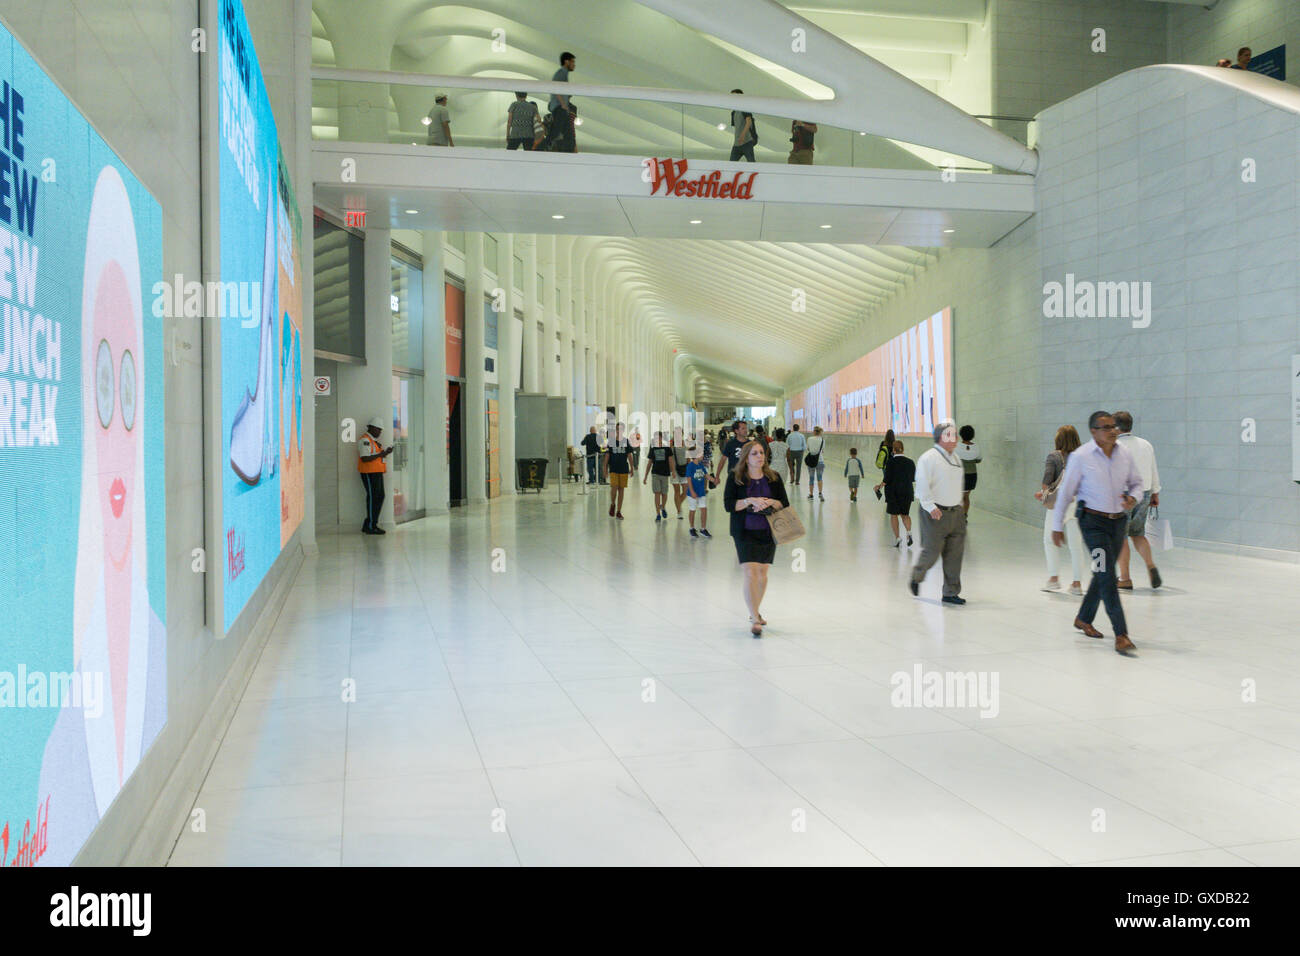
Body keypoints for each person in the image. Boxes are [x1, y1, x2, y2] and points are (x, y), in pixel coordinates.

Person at [1051, 411, 1143, 656]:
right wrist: (1057, 525)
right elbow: (1066, 491)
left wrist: (1133, 497)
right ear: (1093, 431)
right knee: (1107, 575)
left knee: (1102, 573)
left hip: (1117, 523)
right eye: (1106, 427)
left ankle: (1083, 618)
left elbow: (1137, 483)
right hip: (1092, 523)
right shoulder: (1082, 457)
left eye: (1114, 426)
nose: (1112, 430)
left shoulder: (1124, 453)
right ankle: (1121, 634)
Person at [724, 439, 790, 637]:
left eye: (761, 452)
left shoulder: (774, 477)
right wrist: (748, 501)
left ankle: (755, 611)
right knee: (750, 573)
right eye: (754, 453)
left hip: (768, 532)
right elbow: (729, 505)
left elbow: (784, 503)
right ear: (746, 457)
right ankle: (754, 618)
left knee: (762, 575)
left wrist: (771, 501)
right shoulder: (735, 478)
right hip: (744, 531)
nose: (759, 456)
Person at [908, 421, 967, 603]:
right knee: (932, 551)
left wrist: (961, 506)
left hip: (955, 512)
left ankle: (951, 592)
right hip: (935, 512)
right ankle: (917, 577)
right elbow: (922, 484)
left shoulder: (956, 458)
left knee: (954, 554)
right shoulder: (929, 458)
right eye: (951, 435)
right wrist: (930, 506)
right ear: (941, 437)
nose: (955, 439)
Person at [1114, 411, 1163, 590]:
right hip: (1144, 492)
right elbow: (1153, 469)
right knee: (1138, 534)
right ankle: (1150, 565)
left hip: (1124, 495)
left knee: (1121, 536)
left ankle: (1125, 578)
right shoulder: (1146, 444)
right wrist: (1155, 493)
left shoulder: (1115, 446)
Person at [1036, 425, 1084, 595]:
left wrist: (1043, 493)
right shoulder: (1082, 456)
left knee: (1049, 541)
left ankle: (1054, 579)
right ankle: (1077, 584)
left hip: (1059, 504)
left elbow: (1046, 482)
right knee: (1076, 545)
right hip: (1078, 504)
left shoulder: (1054, 456)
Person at [875, 439, 915, 547]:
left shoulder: (890, 462)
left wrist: (879, 486)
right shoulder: (910, 462)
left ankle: (898, 538)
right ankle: (909, 532)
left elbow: (887, 479)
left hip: (893, 493)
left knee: (894, 515)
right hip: (907, 492)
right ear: (903, 449)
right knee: (905, 515)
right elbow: (913, 478)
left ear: (893, 450)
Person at [358, 416, 394, 534]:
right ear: (372, 428)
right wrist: (381, 454)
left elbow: (376, 456)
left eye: (380, 430)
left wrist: (385, 453)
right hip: (369, 473)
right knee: (373, 498)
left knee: (379, 496)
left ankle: (371, 524)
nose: (380, 432)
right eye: (378, 429)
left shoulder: (374, 442)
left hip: (377, 472)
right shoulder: (365, 440)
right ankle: (370, 525)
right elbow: (364, 458)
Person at [547, 51, 577, 152]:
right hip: (560, 108)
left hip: (562, 109)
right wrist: (564, 105)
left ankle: (569, 152)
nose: (574, 64)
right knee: (555, 133)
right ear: (566, 62)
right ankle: (540, 149)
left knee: (568, 135)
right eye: (572, 62)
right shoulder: (561, 73)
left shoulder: (564, 74)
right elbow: (556, 89)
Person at [604, 422, 632, 519]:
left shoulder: (626, 441)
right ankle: (612, 504)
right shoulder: (611, 442)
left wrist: (632, 468)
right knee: (614, 487)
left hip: (623, 469)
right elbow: (607, 456)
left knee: (621, 490)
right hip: (613, 469)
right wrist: (605, 469)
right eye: (617, 429)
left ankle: (619, 511)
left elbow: (629, 455)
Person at [685, 444, 713, 538]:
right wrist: (692, 491)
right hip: (692, 493)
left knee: (704, 509)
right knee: (692, 510)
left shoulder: (701, 465)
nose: (703, 455)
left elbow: (706, 475)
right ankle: (692, 528)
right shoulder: (690, 466)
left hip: (701, 492)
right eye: (701, 454)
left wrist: (714, 480)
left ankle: (703, 529)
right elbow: (688, 479)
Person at [644, 431, 672, 522]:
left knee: (664, 493)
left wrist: (673, 472)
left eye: (658, 437)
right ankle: (658, 514)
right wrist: (645, 476)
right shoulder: (653, 448)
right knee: (657, 493)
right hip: (655, 473)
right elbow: (649, 462)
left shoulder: (667, 448)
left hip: (665, 473)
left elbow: (670, 460)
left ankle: (663, 507)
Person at [955, 425, 982, 513]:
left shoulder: (956, 446)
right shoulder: (976, 447)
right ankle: (964, 515)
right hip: (972, 474)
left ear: (961, 434)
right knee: (966, 496)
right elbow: (979, 460)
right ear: (972, 435)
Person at [670, 426, 690, 519]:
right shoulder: (672, 446)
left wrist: (690, 470)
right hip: (675, 470)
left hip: (684, 469)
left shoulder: (685, 444)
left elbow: (688, 458)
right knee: (677, 491)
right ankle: (679, 511)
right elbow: (670, 459)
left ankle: (678, 504)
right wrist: (673, 471)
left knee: (686, 490)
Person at [805, 425, 826, 501]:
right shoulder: (822, 440)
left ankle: (811, 495)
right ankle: (820, 494)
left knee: (811, 478)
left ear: (814, 431)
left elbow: (808, 448)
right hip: (820, 461)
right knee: (820, 478)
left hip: (811, 461)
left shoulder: (809, 439)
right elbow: (822, 451)